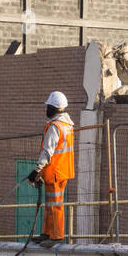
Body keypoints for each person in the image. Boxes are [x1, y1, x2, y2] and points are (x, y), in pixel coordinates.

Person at [29, 90, 74, 245]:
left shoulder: (55, 127)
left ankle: (56, 236)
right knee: (51, 205)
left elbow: (48, 151)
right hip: (62, 171)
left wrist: (36, 169)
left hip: (55, 172)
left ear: (54, 107)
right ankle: (47, 233)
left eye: (48, 106)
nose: (46, 109)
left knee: (55, 206)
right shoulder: (67, 125)